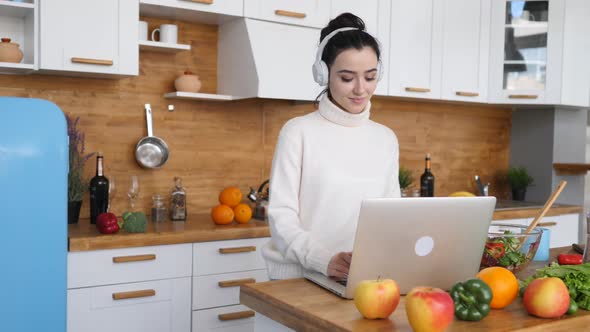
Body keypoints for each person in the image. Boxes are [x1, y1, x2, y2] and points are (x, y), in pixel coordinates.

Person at [262, 13, 401, 281]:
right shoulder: (297, 132)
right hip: (298, 280)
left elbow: (390, 217)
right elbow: (281, 219)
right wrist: (323, 260)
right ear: (323, 74)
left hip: (361, 280)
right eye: (347, 78)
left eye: (370, 77)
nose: (361, 89)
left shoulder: (386, 139)